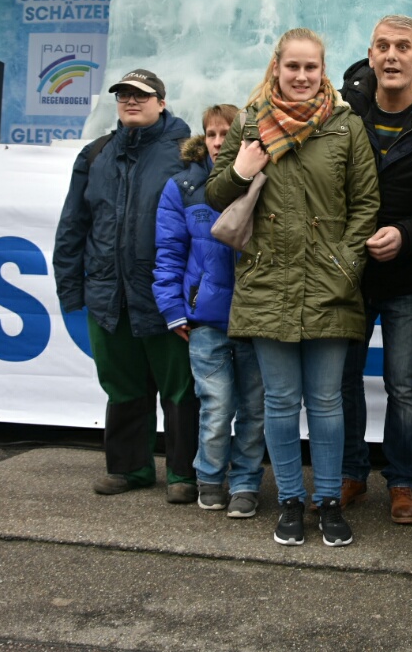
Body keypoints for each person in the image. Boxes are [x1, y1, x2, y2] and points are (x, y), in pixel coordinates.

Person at [206, 28, 380, 548]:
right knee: (280, 402)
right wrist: (241, 170)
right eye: (293, 67)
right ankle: (289, 501)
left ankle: (328, 502)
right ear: (276, 67)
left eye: (311, 67)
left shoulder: (345, 125)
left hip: (330, 284)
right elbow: (216, 195)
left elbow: (366, 204)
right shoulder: (250, 123)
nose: (302, 76)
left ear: (323, 71)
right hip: (267, 283)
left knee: (326, 401)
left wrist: (345, 266)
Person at [53, 69, 198, 503]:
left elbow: (202, 229)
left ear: (162, 102)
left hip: (165, 298)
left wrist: (197, 296)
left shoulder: (185, 153)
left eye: (141, 95)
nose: (131, 101)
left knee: (180, 390)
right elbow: (73, 225)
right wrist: (71, 290)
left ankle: (183, 474)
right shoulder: (96, 153)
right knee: (122, 387)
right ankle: (129, 468)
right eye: (123, 95)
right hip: (108, 296)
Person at [338, 15, 412, 525]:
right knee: (342, 380)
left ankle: (403, 483)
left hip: (410, 273)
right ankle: (349, 473)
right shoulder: (340, 110)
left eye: (403, 47)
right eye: (383, 46)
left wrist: (407, 235)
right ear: (370, 56)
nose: (392, 55)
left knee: (405, 384)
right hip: (349, 271)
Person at [153, 103, 266, 519]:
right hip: (205, 321)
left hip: (257, 318)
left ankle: (246, 483)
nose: (219, 142)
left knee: (255, 410)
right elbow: (168, 253)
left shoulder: (266, 178)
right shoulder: (182, 187)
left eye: (226, 133)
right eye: (212, 133)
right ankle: (210, 479)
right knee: (216, 407)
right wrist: (173, 309)